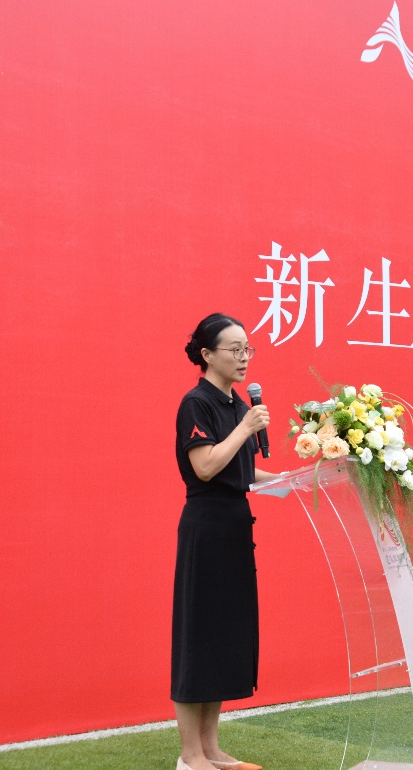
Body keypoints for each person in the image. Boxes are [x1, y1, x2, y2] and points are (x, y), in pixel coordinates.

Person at [171, 313, 276, 770]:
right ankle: (190, 756)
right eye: (234, 349)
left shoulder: (238, 405)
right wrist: (246, 428)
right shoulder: (196, 403)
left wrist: (301, 478)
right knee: (199, 639)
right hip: (207, 529)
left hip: (236, 529)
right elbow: (207, 466)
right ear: (207, 355)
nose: (244, 357)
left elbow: (244, 470)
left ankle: (212, 750)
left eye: (247, 348)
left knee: (222, 639)